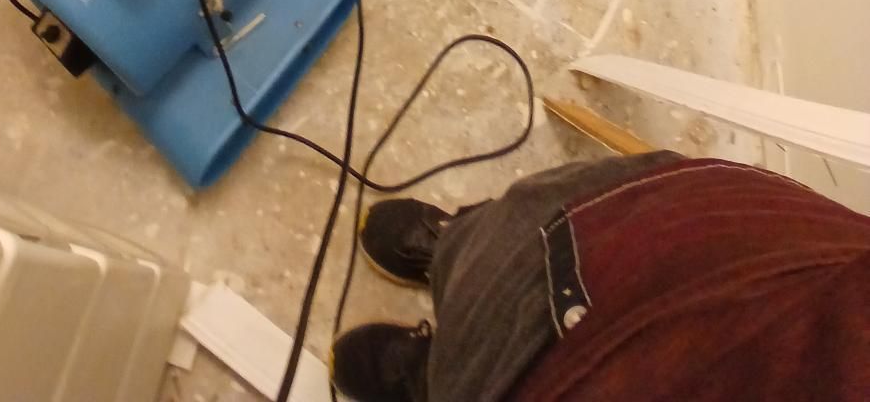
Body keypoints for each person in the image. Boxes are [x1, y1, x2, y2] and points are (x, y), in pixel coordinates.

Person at [330, 151, 870, 401]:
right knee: (525, 234)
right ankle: (457, 247)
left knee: (487, 370)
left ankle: (438, 380)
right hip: (758, 250)